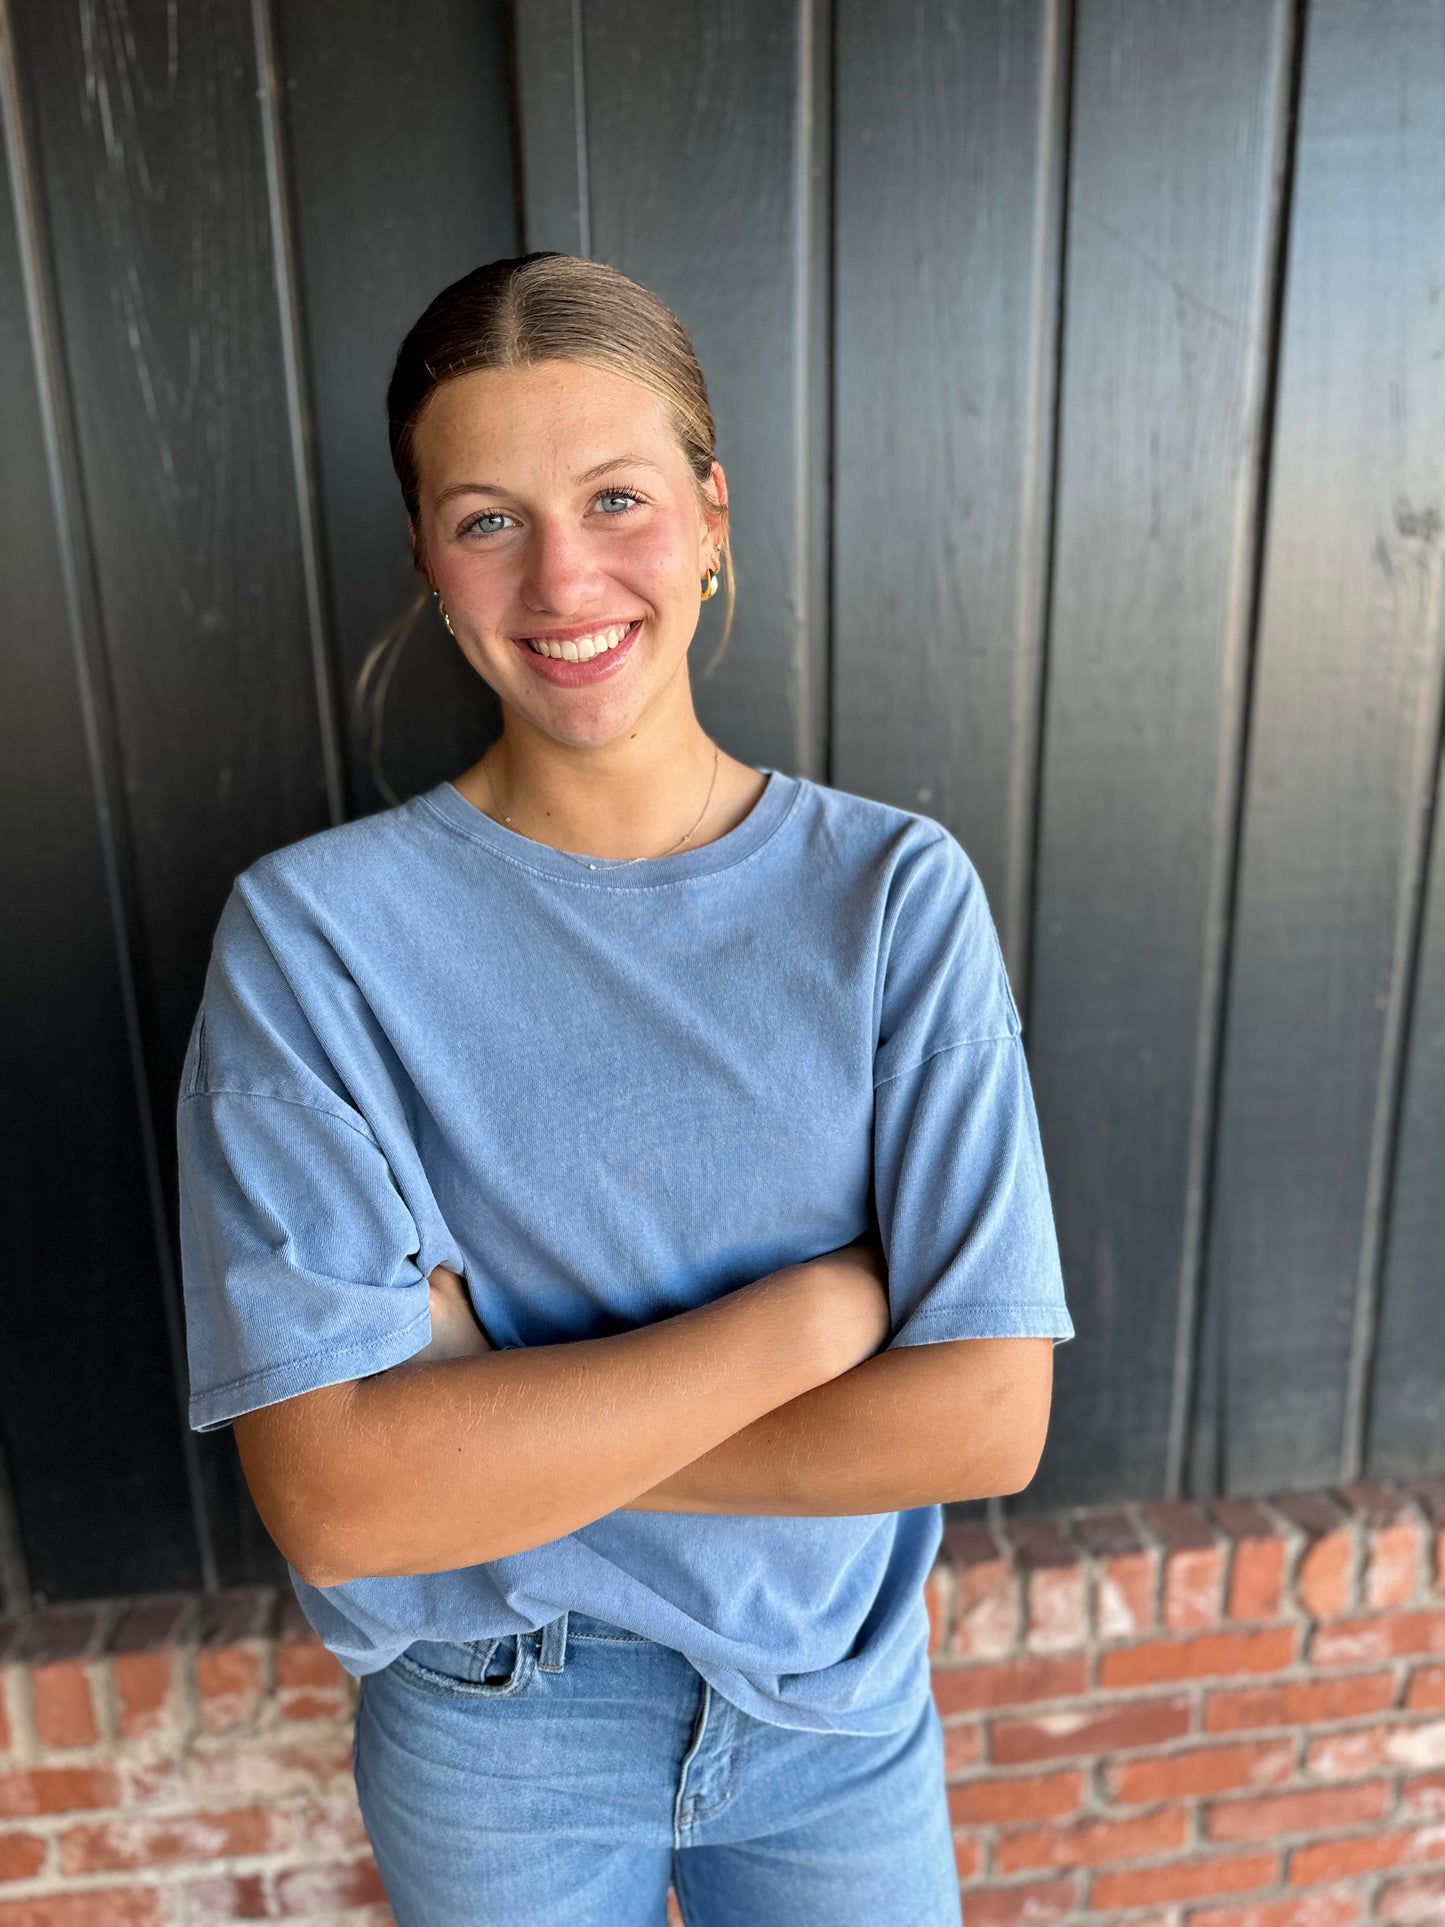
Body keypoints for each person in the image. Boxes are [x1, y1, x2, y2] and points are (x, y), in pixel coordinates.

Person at [176, 252, 1075, 1927]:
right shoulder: (315, 940)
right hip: (492, 1724)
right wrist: (807, 1328)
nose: (562, 575)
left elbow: (984, 1419)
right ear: (429, 566)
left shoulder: (891, 896)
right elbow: (338, 1497)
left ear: (714, 513)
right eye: (488, 516)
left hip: (834, 1710)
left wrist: (491, 1419)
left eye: (615, 496)